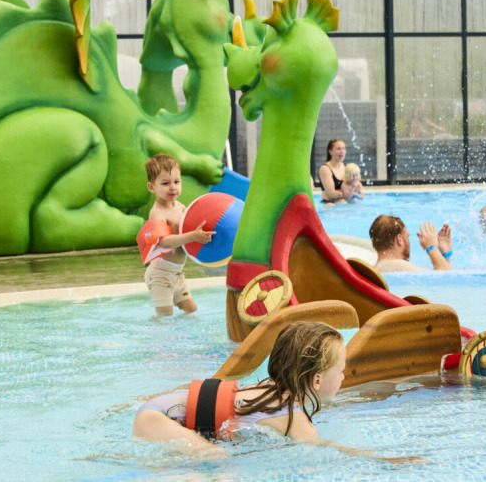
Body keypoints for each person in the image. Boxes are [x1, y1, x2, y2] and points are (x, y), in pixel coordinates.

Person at [133, 322, 419, 463]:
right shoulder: (295, 419)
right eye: (341, 370)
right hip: (158, 420)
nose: (344, 376)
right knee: (217, 458)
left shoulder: (272, 388)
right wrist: (383, 460)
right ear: (317, 380)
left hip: (159, 409)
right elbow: (330, 448)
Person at [142, 154, 213, 316]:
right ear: (152, 187)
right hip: (160, 275)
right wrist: (193, 236)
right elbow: (163, 242)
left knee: (191, 311)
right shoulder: (157, 213)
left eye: (176, 181)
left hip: (177, 273)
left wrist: (203, 233)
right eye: (165, 183)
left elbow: (191, 227)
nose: (173, 187)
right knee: (164, 317)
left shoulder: (180, 207)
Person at [369, 215, 452, 272]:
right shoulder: (395, 265)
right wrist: (432, 248)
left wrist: (445, 255)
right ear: (399, 239)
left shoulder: (381, 267)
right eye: (407, 237)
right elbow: (445, 277)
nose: (409, 242)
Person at [318, 139, 348, 205]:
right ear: (330, 151)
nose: (342, 151)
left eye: (343, 148)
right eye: (338, 149)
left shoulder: (347, 167)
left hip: (345, 202)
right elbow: (331, 193)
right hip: (329, 203)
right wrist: (349, 193)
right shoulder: (325, 169)